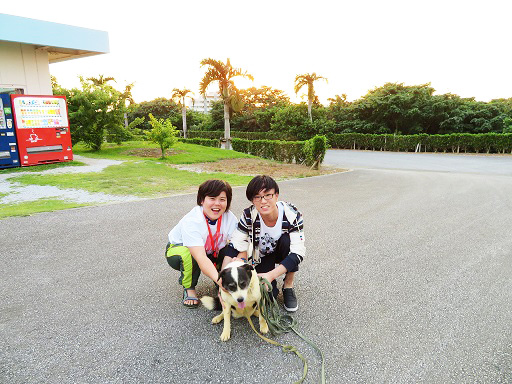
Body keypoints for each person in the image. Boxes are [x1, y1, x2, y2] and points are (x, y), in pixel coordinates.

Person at [225, 175, 305, 312]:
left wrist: (270, 275)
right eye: (257, 197)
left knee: (288, 242)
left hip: (283, 252)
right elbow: (236, 244)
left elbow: (298, 253)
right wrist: (227, 275)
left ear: (276, 196)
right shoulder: (248, 215)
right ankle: (273, 287)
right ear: (252, 200)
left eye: (268, 195)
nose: (263, 201)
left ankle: (288, 285)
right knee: (267, 296)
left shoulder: (292, 215)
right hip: (261, 255)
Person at [165, 179, 238, 308]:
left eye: (222, 199)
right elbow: (201, 257)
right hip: (180, 250)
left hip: (211, 250)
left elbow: (238, 245)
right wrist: (220, 280)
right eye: (212, 198)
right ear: (202, 200)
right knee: (188, 255)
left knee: (231, 250)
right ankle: (189, 288)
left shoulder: (230, 217)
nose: (217, 204)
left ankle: (223, 283)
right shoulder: (192, 220)